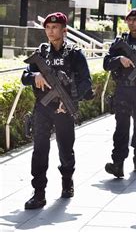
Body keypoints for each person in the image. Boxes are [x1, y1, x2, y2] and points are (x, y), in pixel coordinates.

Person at [21, 12, 93, 209]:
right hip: (43, 107)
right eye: (48, 28)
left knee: (65, 148)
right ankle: (38, 192)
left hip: (64, 109)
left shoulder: (74, 54)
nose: (51, 31)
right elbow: (24, 76)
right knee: (39, 150)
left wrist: (70, 100)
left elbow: (86, 82)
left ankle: (67, 181)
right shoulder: (41, 53)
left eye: (55, 27)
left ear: (64, 30)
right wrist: (34, 75)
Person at [103, 9, 136, 177]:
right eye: (129, 20)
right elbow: (106, 63)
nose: (132, 22)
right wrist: (119, 59)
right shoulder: (120, 42)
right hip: (123, 89)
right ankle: (118, 163)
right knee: (121, 127)